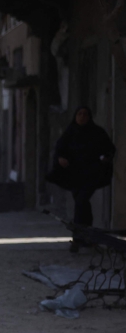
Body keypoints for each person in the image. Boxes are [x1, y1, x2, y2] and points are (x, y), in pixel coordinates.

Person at [48, 106, 116, 252]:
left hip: (91, 175)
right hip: (74, 176)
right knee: (83, 204)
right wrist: (61, 159)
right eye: (79, 114)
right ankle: (88, 237)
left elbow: (109, 149)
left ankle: (78, 238)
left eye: (85, 114)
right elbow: (60, 149)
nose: (82, 117)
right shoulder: (70, 132)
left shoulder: (97, 132)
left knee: (81, 201)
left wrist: (104, 159)